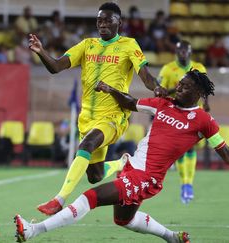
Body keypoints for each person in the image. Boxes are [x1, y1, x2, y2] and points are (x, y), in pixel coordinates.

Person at [14, 70, 229, 243]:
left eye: (185, 86)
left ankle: (33, 231)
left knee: (90, 197)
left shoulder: (203, 121)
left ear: (198, 93)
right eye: (179, 84)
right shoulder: (162, 104)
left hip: (147, 176)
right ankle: (171, 237)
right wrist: (111, 90)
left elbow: (226, 152)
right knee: (124, 220)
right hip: (133, 169)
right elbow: (131, 103)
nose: (179, 88)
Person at [28, 2, 167, 216]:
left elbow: (145, 74)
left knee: (86, 144)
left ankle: (59, 199)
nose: (102, 24)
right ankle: (121, 163)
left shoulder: (129, 45)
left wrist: (156, 86)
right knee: (95, 175)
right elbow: (56, 67)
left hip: (114, 116)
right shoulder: (86, 45)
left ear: (119, 22)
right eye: (99, 20)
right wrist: (41, 51)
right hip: (87, 117)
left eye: (108, 20)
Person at [158, 40, 209, 204]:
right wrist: (180, 89)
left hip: (194, 113)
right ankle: (185, 184)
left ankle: (188, 183)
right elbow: (160, 91)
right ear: (176, 52)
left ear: (190, 52)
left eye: (186, 51)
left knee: (191, 147)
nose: (183, 54)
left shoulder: (199, 67)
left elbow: (205, 88)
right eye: (180, 51)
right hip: (175, 113)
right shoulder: (167, 69)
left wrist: (206, 102)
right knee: (180, 149)